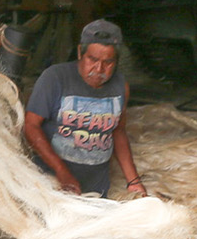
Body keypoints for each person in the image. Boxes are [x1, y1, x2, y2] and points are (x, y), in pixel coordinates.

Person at [22, 19, 148, 198]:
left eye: (108, 62)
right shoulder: (55, 78)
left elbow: (118, 131)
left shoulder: (120, 86)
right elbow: (31, 126)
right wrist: (61, 172)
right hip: (53, 184)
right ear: (80, 52)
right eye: (93, 59)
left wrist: (133, 180)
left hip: (97, 187)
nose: (99, 69)